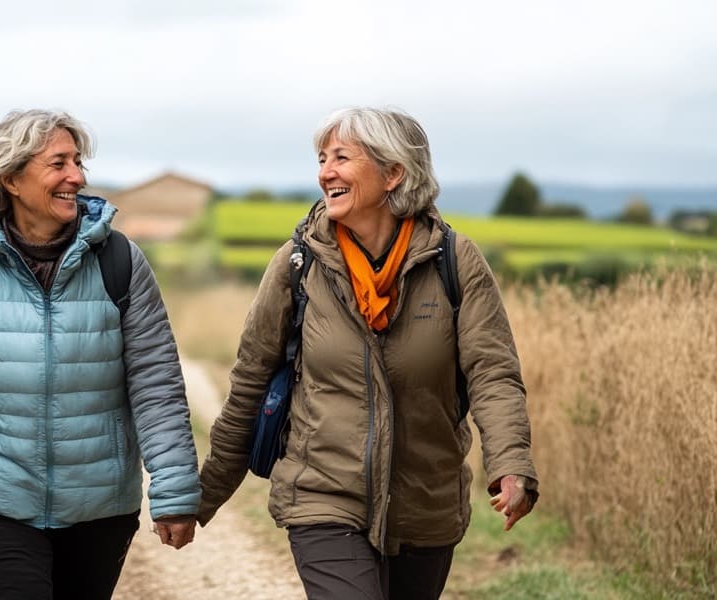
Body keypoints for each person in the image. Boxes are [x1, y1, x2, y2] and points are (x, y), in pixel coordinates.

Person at [197, 107, 538, 599]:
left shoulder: (455, 262)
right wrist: (203, 497)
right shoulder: (299, 264)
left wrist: (511, 463)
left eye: (341, 157)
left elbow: (493, 374)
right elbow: (251, 381)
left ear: (394, 173)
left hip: (424, 502)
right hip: (322, 497)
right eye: (322, 158)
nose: (325, 172)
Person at [0, 109, 201, 599]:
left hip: (99, 504)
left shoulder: (121, 263)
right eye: (59, 164)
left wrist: (175, 492)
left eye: (78, 163)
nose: (76, 177)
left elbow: (156, 386)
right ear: (11, 178)